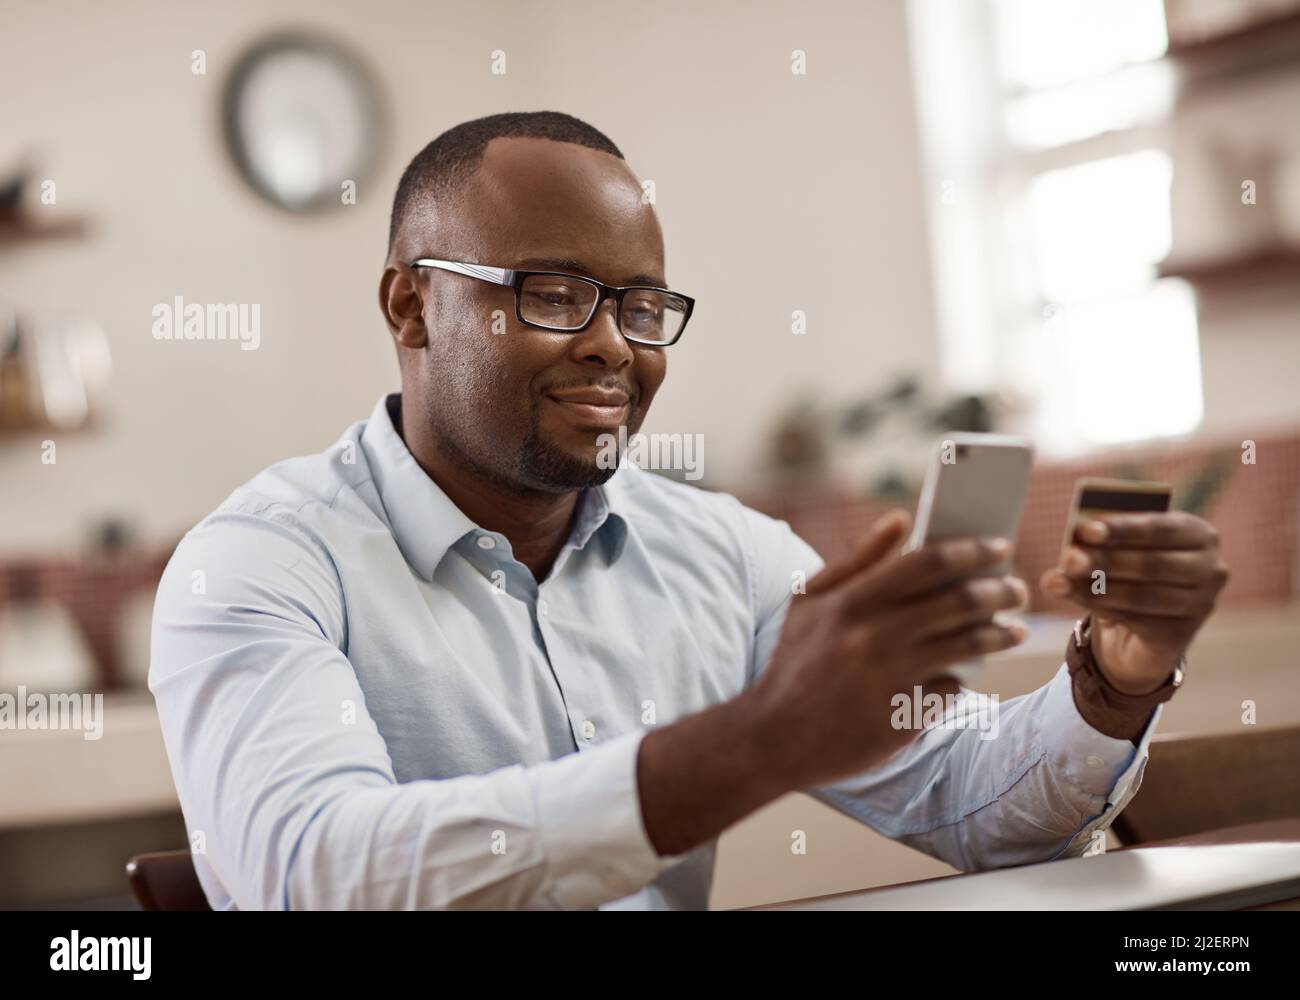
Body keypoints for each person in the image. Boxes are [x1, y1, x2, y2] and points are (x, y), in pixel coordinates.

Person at [150, 111, 1229, 910]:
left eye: (642, 305)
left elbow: (976, 808)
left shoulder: (727, 553)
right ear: (409, 305)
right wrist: (751, 742)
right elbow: (314, 873)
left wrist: (1114, 675)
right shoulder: (260, 561)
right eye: (554, 294)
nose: (613, 344)